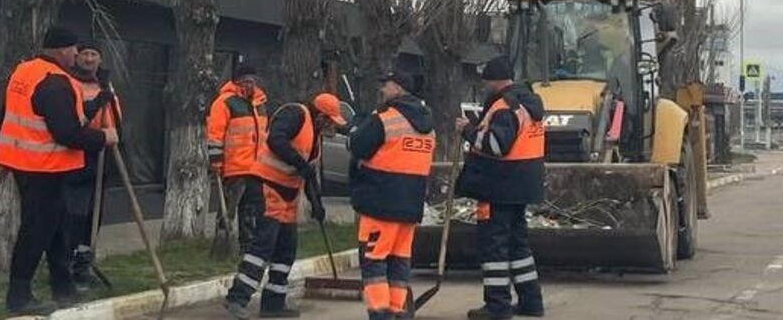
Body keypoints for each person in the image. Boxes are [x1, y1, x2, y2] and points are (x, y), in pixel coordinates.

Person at [0, 25, 115, 315]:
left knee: (57, 229)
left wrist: (2, 158)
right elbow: (68, 133)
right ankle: (19, 295)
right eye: (74, 49)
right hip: (43, 168)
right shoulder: (56, 82)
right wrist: (102, 138)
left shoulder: (24, 72)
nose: (77, 55)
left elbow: (2, 118)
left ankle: (63, 287)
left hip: (26, 165)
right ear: (62, 50)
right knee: (36, 231)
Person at [224, 92, 348, 320]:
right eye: (330, 121)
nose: (331, 127)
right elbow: (276, 140)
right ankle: (237, 299)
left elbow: (308, 174)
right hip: (266, 187)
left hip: (288, 196)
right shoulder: (294, 114)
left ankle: (273, 304)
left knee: (285, 251)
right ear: (320, 116)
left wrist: (316, 204)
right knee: (262, 248)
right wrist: (300, 163)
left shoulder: (315, 136)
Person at [455, 56, 546, 320]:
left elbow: (496, 146)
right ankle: (531, 302)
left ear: (494, 80)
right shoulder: (529, 103)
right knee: (518, 246)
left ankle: (497, 305)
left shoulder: (505, 107)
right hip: (522, 186)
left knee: (493, 248)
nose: (484, 86)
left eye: (486, 80)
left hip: (498, 186)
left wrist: (468, 131)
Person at [346, 73, 435, 320]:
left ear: (398, 88)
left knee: (374, 262)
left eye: (385, 85)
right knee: (399, 262)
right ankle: (398, 311)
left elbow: (357, 146)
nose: (383, 90)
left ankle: (380, 313)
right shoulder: (427, 124)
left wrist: (357, 128)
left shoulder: (385, 119)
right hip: (410, 205)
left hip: (380, 203)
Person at [64, 40, 117, 286]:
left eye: (93, 54)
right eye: (84, 53)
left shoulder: (105, 84)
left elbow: (116, 120)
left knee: (93, 216)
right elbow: (74, 120)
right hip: (76, 155)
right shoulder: (70, 82)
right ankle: (67, 262)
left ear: (100, 59)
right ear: (77, 57)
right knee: (75, 214)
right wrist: (97, 102)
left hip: (101, 156)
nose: (88, 58)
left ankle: (84, 263)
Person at [207, 62, 268, 252]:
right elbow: (215, 135)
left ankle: (247, 245)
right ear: (237, 81)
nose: (250, 85)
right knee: (228, 208)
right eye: (246, 81)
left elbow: (265, 134)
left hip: (256, 167)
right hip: (234, 167)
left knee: (252, 209)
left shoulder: (259, 103)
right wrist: (216, 161)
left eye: (253, 81)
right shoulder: (224, 103)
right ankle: (222, 243)